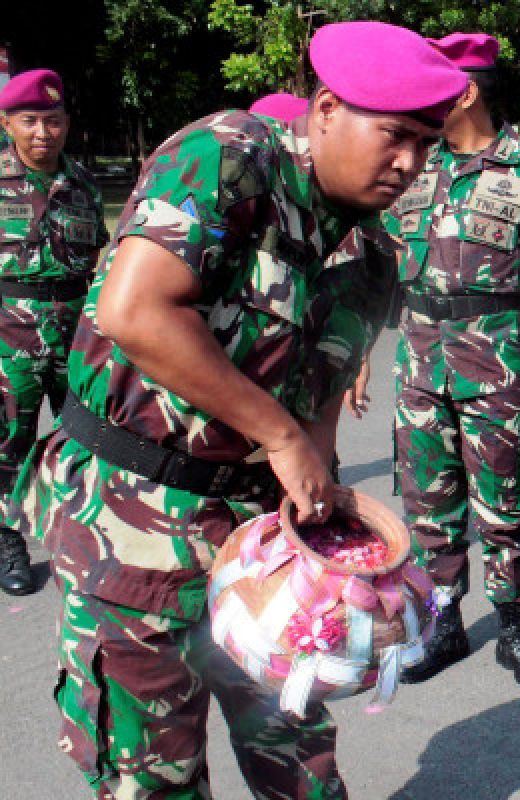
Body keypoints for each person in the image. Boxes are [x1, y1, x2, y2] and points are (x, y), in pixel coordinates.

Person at [10, 22, 466, 797]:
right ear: (325, 109)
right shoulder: (228, 155)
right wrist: (281, 435)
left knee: (303, 768)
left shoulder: (372, 258)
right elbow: (136, 310)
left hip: (261, 553)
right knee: (152, 778)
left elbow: (316, 411)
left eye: (427, 145)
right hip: (128, 528)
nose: (410, 164)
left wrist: (339, 555)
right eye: (394, 136)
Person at [366, 32, 520, 694]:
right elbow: (384, 276)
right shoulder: (412, 166)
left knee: (505, 506)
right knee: (430, 500)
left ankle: (515, 629)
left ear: (465, 90)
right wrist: (358, 367)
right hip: (420, 362)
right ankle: (446, 624)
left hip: (498, 365)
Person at [0, 68, 108, 596]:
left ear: (66, 122)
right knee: (7, 443)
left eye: (52, 119)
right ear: (7, 122)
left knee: (85, 435)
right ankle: (7, 540)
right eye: (29, 120)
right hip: (7, 334)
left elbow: (98, 259)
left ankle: (77, 534)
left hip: (75, 331)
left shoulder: (83, 183)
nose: (42, 132)